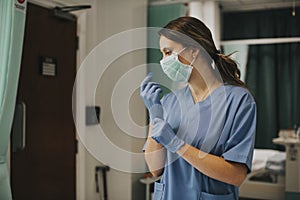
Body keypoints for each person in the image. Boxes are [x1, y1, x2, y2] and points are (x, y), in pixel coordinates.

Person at [140, 16, 256, 200]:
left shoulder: (238, 100)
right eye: (162, 54)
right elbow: (155, 169)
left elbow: (236, 175)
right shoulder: (168, 102)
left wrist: (177, 144)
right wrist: (155, 115)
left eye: (168, 52)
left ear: (194, 51)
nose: (163, 61)